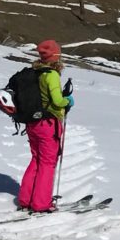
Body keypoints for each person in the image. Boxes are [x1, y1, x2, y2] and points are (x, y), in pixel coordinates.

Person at [16, 39, 74, 212]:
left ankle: (26, 200)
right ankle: (41, 204)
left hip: (32, 123)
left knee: (36, 159)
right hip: (48, 124)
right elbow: (57, 101)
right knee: (48, 163)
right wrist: (68, 101)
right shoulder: (52, 74)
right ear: (56, 56)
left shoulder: (36, 71)